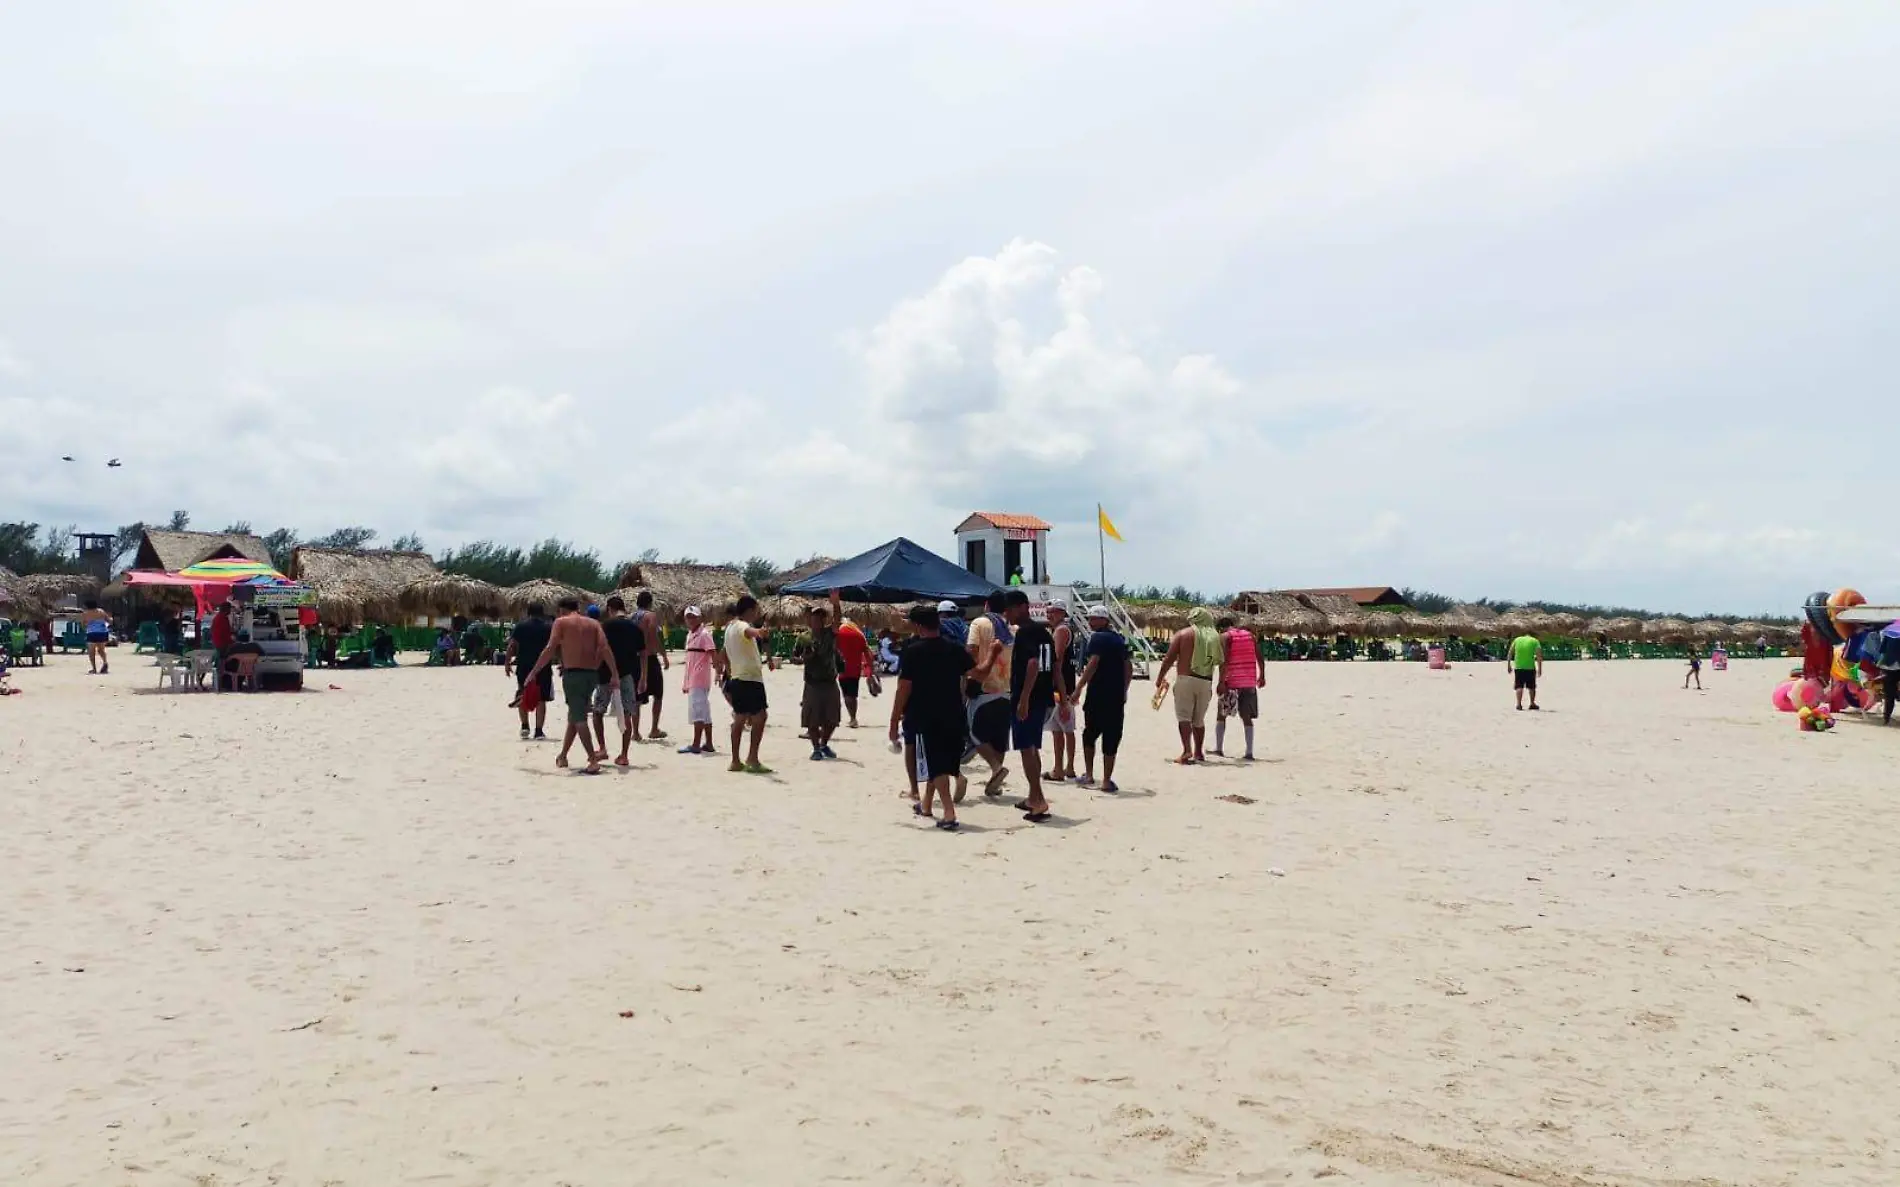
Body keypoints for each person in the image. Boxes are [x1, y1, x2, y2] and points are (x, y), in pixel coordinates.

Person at [891, 603, 984, 830]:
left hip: (924, 715)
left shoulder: (913, 651)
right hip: (954, 712)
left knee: (936, 765)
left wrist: (894, 721)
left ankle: (949, 812)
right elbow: (978, 674)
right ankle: (926, 804)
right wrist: (994, 655)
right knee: (941, 760)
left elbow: (904, 688)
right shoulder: (954, 649)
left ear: (918, 626)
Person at [523, 597, 618, 774]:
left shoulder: (561, 623)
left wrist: (534, 671)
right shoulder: (593, 624)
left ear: (561, 610)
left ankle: (592, 760)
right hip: (591, 675)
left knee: (579, 718)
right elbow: (604, 648)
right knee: (575, 715)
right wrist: (614, 674)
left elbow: (550, 649)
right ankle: (563, 755)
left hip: (573, 675)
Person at [1005, 589, 1055, 822]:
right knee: (1032, 747)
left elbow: (1033, 664)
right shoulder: (1043, 632)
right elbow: (1054, 665)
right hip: (1043, 696)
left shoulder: (1026, 633)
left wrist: (1024, 698)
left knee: (1026, 748)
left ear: (1020, 607)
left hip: (1030, 699)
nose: (1007, 615)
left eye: (1009, 610)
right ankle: (1033, 795)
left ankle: (1038, 799)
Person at [1073, 604, 1132, 792]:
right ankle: (1106, 780)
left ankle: (1090, 775)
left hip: (1098, 694)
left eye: (1093, 618)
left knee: (1090, 733)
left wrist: (1079, 687)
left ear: (1103, 620)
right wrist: (1124, 689)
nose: (1089, 621)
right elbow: (1128, 666)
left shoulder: (1097, 638)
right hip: (1115, 696)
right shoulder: (1119, 639)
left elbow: (1093, 663)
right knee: (1112, 736)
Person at [1154, 607, 1223, 764]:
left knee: (1184, 717)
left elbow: (1169, 658)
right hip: (1205, 680)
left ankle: (1186, 751)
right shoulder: (1214, 637)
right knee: (1199, 720)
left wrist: (1159, 678)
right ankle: (1199, 752)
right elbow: (1221, 663)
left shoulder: (1183, 634)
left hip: (1185, 679)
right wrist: (1221, 682)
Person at [963, 589, 1014, 797]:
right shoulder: (1012, 628)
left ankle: (995, 768)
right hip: (1006, 688)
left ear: (986, 605)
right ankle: (995, 782)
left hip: (983, 687)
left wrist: (969, 678)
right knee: (999, 736)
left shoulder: (979, 623)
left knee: (974, 734)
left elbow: (971, 651)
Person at [591, 596, 646, 767]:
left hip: (605, 675)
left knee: (598, 712)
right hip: (627, 676)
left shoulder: (605, 626)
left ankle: (602, 748)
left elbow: (600, 650)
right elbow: (643, 654)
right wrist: (643, 677)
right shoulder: (634, 628)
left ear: (609, 609)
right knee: (627, 714)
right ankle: (624, 754)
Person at [723, 595, 772, 773]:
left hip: (736, 678)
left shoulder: (729, 628)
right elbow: (750, 632)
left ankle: (735, 761)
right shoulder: (743, 625)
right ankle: (752, 758)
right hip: (750, 679)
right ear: (750, 610)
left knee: (739, 718)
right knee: (760, 717)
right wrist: (760, 632)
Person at [792, 592, 844, 760]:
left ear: (824, 620)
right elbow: (794, 658)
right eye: (814, 618)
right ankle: (816, 748)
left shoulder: (829, 634)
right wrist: (804, 659)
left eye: (820, 618)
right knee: (812, 720)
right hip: (812, 683)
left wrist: (836, 604)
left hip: (829, 681)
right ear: (810, 620)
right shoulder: (803, 638)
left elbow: (837, 620)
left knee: (832, 718)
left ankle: (824, 744)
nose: (817, 621)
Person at [1213, 617, 1266, 760]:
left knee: (1221, 714)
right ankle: (1249, 752)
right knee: (1246, 717)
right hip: (1249, 682)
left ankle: (1218, 749)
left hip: (1232, 682)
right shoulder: (1250, 636)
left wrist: (1221, 682)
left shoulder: (1225, 637)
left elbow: (1224, 661)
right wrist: (1262, 676)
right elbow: (1260, 658)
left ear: (1221, 628)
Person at [504, 602, 554, 740]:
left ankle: (525, 726)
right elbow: (554, 647)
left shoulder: (521, 626)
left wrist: (507, 663)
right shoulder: (548, 627)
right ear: (542, 613)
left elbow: (512, 645)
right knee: (542, 699)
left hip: (524, 666)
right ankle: (538, 731)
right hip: (543, 666)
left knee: (523, 694)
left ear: (528, 612)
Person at [1044, 603, 1080, 782]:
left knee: (1062, 728)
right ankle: (1063, 767)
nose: (1048, 615)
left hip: (1060, 687)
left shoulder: (1060, 631)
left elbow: (1056, 660)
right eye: (1047, 612)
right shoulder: (1065, 629)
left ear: (1061, 613)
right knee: (1062, 729)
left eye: (1052, 612)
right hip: (1066, 686)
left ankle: (1065, 767)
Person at [680, 605, 718, 755]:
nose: (690, 620)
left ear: (699, 617)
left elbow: (713, 653)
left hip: (700, 677)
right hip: (693, 677)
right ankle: (708, 743)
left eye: (693, 616)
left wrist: (718, 673)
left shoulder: (704, 634)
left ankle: (696, 744)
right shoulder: (690, 635)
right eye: (688, 617)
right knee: (705, 711)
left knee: (697, 711)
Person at [631, 591, 668, 741]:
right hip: (649, 658)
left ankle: (635, 732)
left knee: (637, 697)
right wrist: (664, 655)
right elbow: (653, 636)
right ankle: (654, 729)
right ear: (650, 603)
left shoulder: (632, 617)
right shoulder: (650, 616)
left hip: (634, 659)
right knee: (658, 694)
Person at [835, 612, 871, 729]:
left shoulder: (839, 633)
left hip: (842, 668)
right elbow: (867, 652)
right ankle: (853, 717)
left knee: (846, 694)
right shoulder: (859, 634)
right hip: (855, 669)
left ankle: (852, 719)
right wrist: (871, 669)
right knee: (853, 694)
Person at [1510, 630, 1543, 710]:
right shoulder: (1535, 641)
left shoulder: (1517, 639)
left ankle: (1518, 704)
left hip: (1518, 667)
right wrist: (1540, 669)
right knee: (1531, 687)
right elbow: (1539, 656)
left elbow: (1510, 652)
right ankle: (1532, 703)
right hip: (1530, 667)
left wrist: (1508, 665)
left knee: (1519, 686)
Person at [81, 599, 112, 674]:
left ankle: (94, 669)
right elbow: (109, 621)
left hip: (92, 633)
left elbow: (83, 625)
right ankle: (105, 662)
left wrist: (87, 629)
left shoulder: (85, 613)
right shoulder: (101, 611)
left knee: (91, 652)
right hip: (103, 632)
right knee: (101, 650)